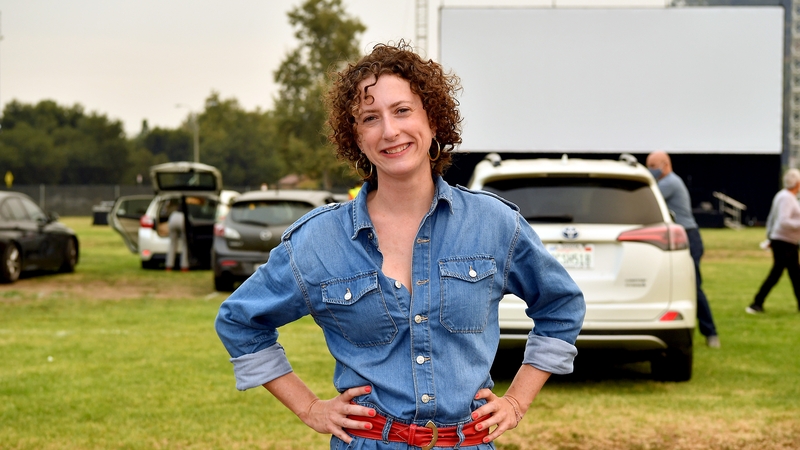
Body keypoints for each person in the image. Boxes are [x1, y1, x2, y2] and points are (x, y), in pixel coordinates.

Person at [215, 42, 586, 449]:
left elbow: (560, 306)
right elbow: (240, 321)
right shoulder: (318, 241)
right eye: (370, 118)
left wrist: (516, 401)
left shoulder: (494, 224)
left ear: (433, 119)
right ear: (355, 137)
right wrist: (310, 408)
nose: (390, 131)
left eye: (403, 110)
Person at [646, 151, 720, 348]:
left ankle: (711, 333)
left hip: (687, 237)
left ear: (664, 165)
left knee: (693, 287)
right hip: (682, 236)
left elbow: (649, 198)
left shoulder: (668, 183)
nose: (650, 170)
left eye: (653, 165)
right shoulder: (668, 181)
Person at [747, 168, 800, 314]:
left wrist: (769, 236)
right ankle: (756, 303)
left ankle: (757, 303)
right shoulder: (787, 198)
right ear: (797, 183)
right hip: (784, 241)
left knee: (795, 274)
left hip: (786, 241)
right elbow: (783, 221)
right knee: (778, 274)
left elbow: (772, 218)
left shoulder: (784, 196)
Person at [165, 199, 188, 272]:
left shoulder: (176, 206)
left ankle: (169, 266)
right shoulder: (189, 203)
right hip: (183, 218)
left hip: (173, 217)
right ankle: (184, 267)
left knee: (172, 244)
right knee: (185, 244)